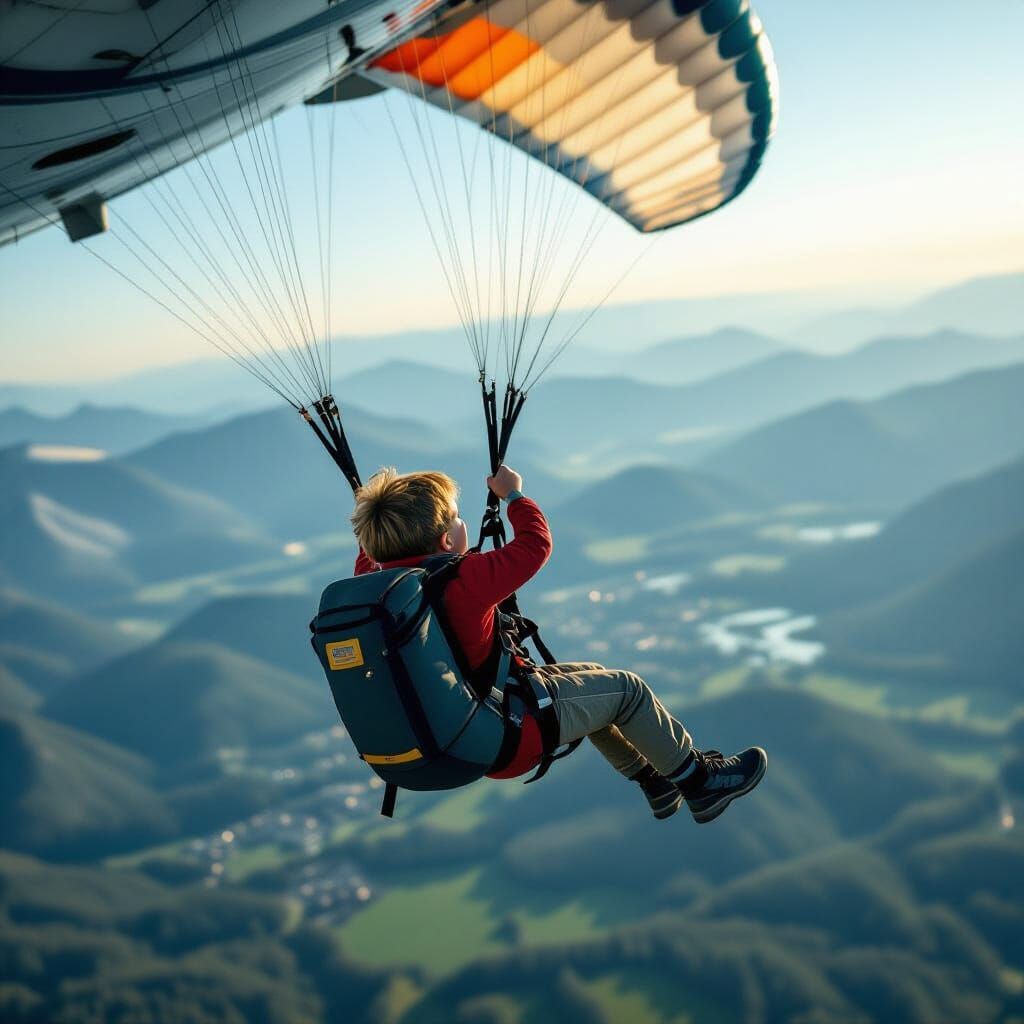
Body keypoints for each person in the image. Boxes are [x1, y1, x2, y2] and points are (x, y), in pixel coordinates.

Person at [350, 465, 767, 822]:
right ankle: (701, 783)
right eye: (457, 519)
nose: (463, 524)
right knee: (627, 690)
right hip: (509, 733)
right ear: (445, 540)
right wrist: (513, 496)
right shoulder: (464, 579)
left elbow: (372, 560)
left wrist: (374, 523)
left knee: (593, 677)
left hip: (465, 733)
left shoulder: (378, 591)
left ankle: (655, 781)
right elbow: (535, 545)